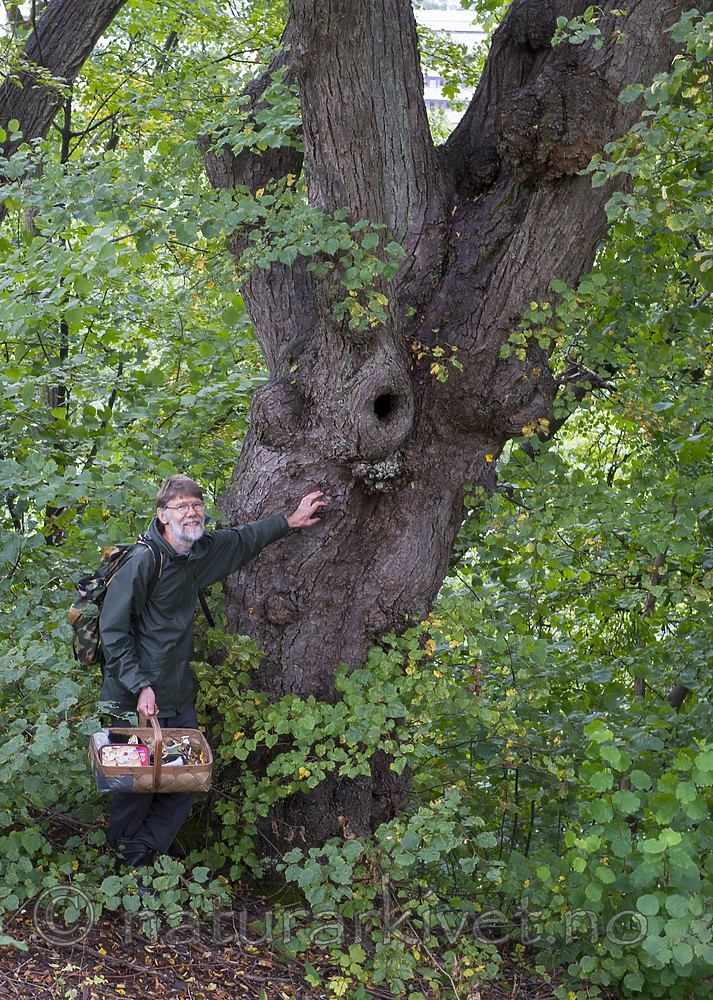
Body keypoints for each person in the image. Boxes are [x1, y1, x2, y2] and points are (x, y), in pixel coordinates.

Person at [98, 473, 325, 870]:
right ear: (162, 515)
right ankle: (119, 866)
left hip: (178, 694)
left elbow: (241, 540)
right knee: (134, 787)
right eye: (181, 506)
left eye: (196, 504)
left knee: (187, 781)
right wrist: (139, 686)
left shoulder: (198, 551)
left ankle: (143, 856)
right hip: (135, 695)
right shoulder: (143, 559)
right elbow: (112, 629)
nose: (191, 512)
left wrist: (288, 521)